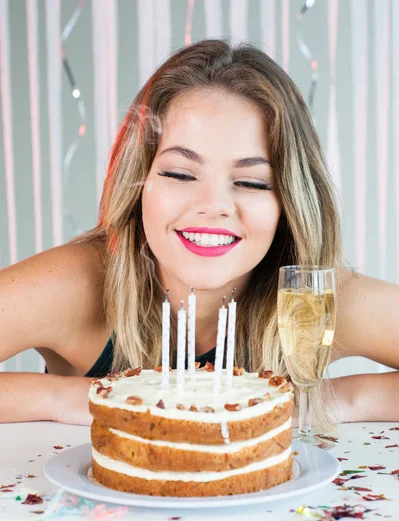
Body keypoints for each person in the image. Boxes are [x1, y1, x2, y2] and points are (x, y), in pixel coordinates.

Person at [0, 40, 398, 428]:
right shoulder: (77, 284)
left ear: (290, 202)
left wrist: (332, 398)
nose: (213, 205)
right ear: (137, 183)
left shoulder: (312, 304)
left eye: (252, 182)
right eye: (179, 174)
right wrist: (61, 397)